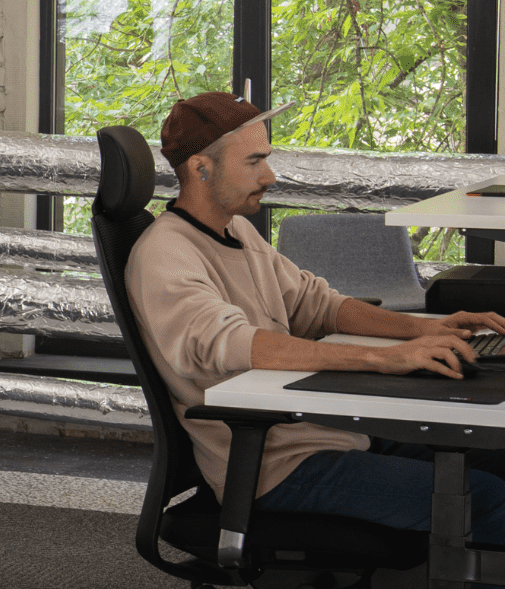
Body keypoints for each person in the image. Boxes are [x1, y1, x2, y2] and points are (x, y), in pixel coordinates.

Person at [128, 91, 505, 553]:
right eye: (254, 162)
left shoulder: (236, 230)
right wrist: (383, 359)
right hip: (275, 465)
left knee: (495, 459)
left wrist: (427, 328)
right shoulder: (166, 253)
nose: (269, 176)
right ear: (200, 168)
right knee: (485, 499)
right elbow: (233, 343)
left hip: (327, 433)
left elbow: (318, 304)